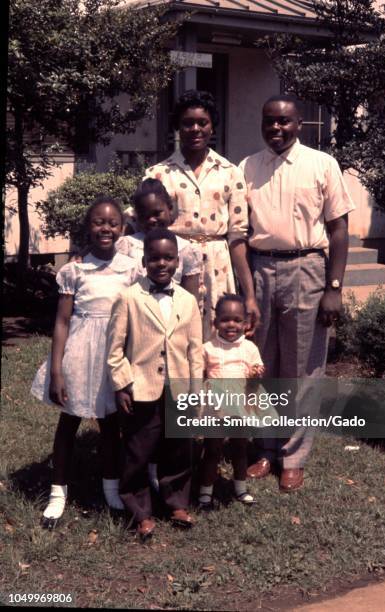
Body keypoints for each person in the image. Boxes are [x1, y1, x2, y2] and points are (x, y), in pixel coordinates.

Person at [239, 95, 355, 491]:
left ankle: (293, 455)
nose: (277, 128)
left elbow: (339, 229)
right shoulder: (248, 167)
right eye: (269, 121)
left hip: (308, 268)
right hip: (260, 268)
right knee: (261, 363)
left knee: (302, 366)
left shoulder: (322, 164)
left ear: (299, 124)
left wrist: (334, 287)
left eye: (284, 122)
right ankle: (265, 449)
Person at [31, 196, 141, 528]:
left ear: (122, 229)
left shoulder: (132, 268)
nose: (105, 228)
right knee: (69, 422)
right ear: (87, 227)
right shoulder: (74, 270)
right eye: (98, 222)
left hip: (114, 354)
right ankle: (57, 493)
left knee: (110, 425)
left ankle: (111, 487)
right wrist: (56, 370)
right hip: (80, 352)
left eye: (112, 223)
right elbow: (63, 322)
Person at [107, 228, 203, 541]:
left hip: (178, 386)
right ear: (144, 261)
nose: (161, 263)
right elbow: (115, 349)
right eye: (154, 258)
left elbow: (195, 350)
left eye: (168, 258)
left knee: (178, 448)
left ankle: (176, 501)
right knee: (138, 450)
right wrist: (122, 384)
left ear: (177, 260)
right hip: (142, 388)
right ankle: (140, 511)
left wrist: (196, 389)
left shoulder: (188, 300)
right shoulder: (129, 297)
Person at [145, 90, 259, 340]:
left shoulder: (230, 172)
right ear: (177, 127)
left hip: (217, 269)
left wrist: (249, 295)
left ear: (212, 127)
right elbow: (138, 224)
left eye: (202, 122)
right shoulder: (158, 174)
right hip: (174, 267)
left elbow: (238, 237)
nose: (195, 129)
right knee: (173, 337)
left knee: (217, 342)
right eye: (187, 123)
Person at [198, 294, 265, 509]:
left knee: (240, 449)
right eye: (225, 319)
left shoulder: (250, 348)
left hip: (241, 407)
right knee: (212, 450)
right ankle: (206, 491)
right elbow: (200, 375)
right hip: (215, 408)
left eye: (237, 320)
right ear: (215, 322)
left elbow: (256, 373)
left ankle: (240, 488)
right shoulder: (207, 348)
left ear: (245, 324)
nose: (231, 325)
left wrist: (256, 374)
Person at [116, 178, 201, 302]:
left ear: (170, 209)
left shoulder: (185, 249)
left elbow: (191, 300)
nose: (151, 220)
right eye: (145, 215)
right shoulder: (127, 245)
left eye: (157, 213)